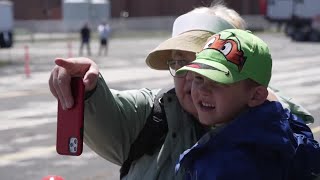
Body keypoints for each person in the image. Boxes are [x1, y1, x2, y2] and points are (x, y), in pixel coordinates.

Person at [48, 2, 315, 180]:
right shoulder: (153, 114)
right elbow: (111, 113)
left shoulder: (278, 131)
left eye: (202, 63)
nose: (192, 78)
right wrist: (88, 87)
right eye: (178, 62)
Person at [174, 29, 320, 180]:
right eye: (199, 78)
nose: (203, 90)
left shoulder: (226, 166)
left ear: (256, 96)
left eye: (217, 82)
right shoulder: (282, 126)